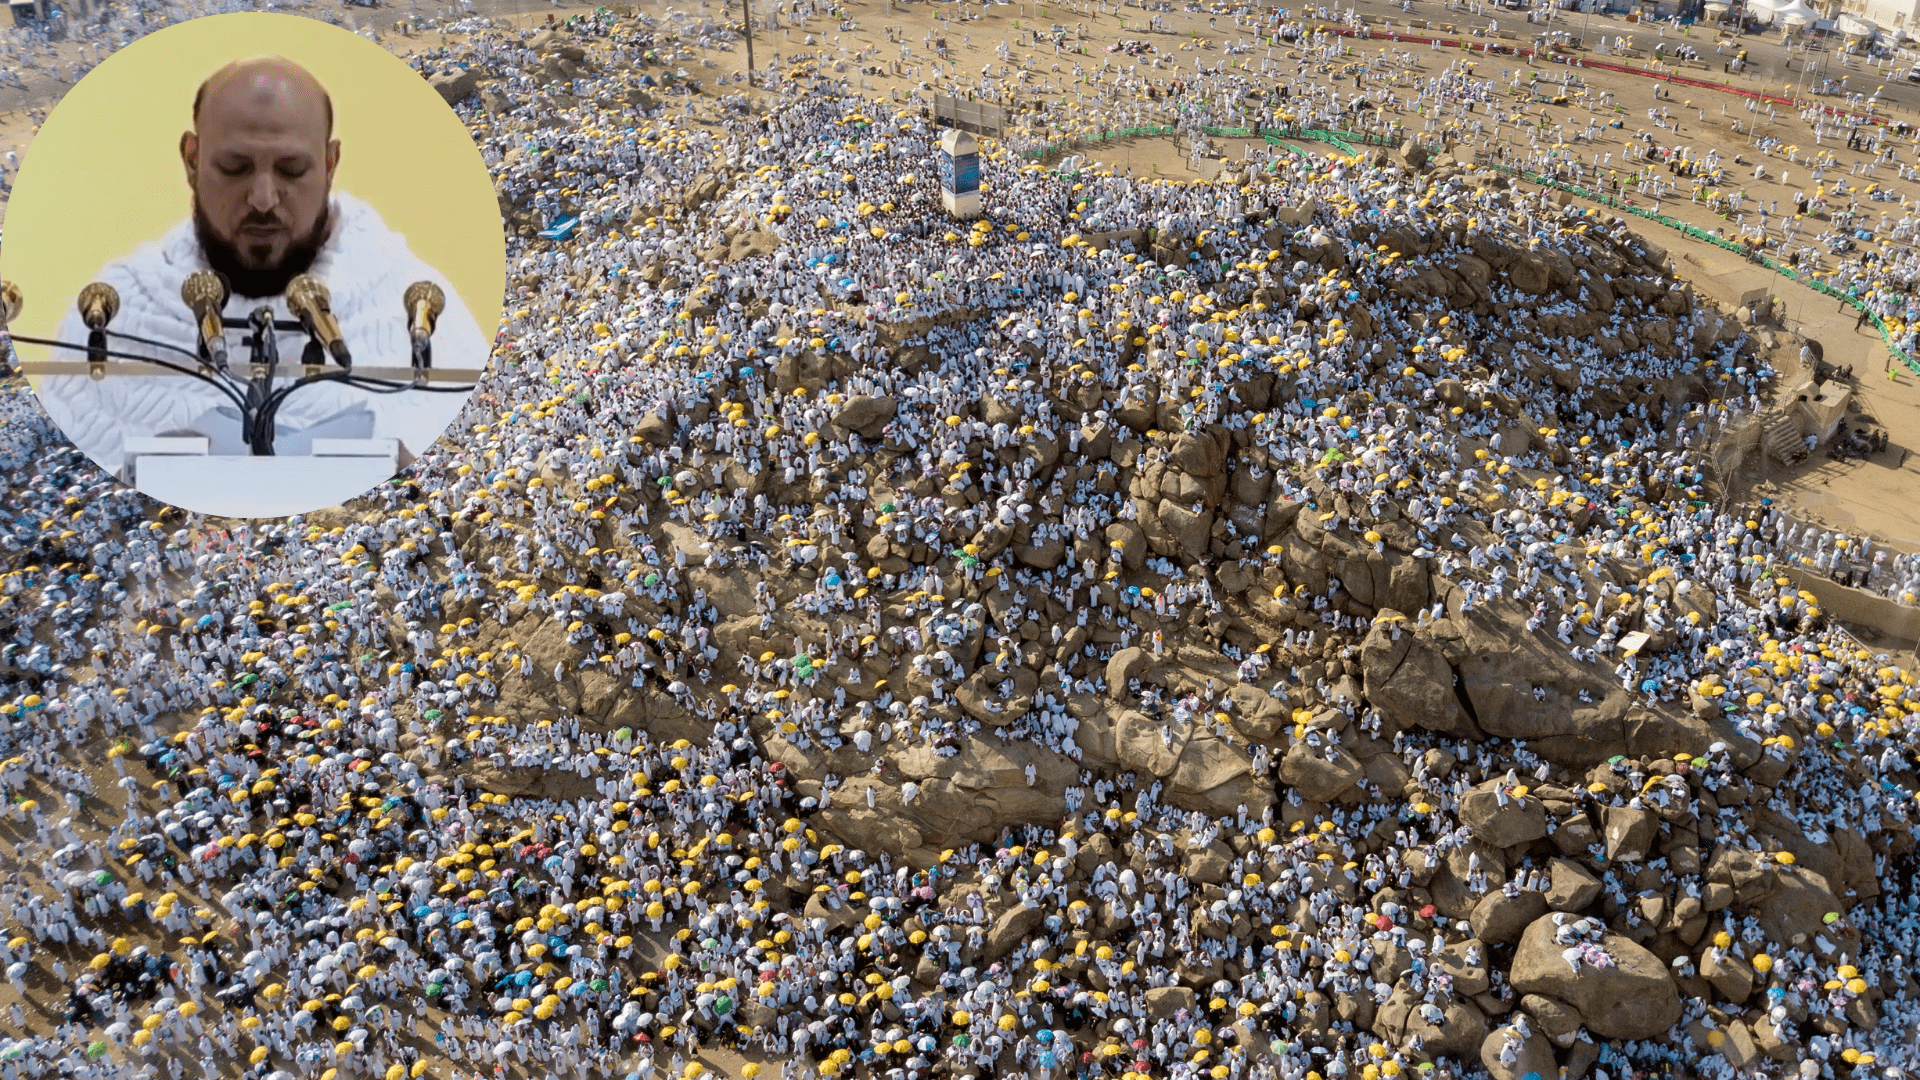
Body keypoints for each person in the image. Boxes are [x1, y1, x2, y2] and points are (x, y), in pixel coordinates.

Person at [36, 54, 488, 479]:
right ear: (192, 160)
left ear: (330, 164)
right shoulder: (115, 314)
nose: (264, 200)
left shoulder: (414, 303)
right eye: (235, 168)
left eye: (292, 170)